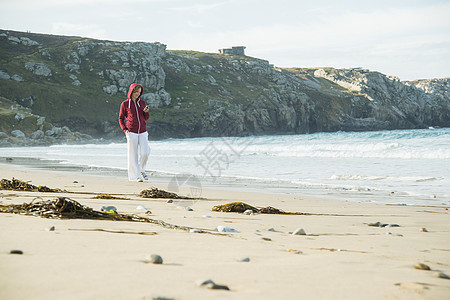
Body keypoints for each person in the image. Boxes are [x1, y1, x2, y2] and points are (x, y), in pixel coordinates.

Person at [118, 83, 151, 182]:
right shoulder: (125, 104)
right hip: (131, 131)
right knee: (133, 154)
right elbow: (120, 118)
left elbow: (146, 118)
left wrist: (146, 112)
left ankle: (142, 170)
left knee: (145, 152)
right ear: (132, 91)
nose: (137, 94)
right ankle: (136, 176)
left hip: (143, 131)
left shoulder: (142, 103)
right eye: (136, 92)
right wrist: (125, 129)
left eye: (139, 92)